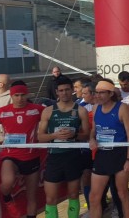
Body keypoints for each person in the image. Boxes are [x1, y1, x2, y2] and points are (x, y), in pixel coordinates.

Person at [0, 80, 44, 218]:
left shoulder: (37, 109)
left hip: (31, 157)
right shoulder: (2, 111)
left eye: (22, 95)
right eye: (16, 95)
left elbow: (53, 118)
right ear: (11, 96)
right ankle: (7, 198)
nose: (20, 98)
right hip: (10, 155)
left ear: (27, 94)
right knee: (7, 183)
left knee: (32, 197)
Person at [38, 75, 90, 218]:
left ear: (72, 90)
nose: (64, 93)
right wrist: (54, 136)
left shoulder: (80, 110)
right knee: (50, 198)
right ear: (57, 92)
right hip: (54, 157)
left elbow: (87, 135)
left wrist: (73, 135)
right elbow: (40, 137)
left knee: (73, 194)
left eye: (67, 90)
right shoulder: (48, 111)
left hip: (73, 156)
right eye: (61, 90)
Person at [88, 79, 129, 218]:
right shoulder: (96, 108)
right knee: (94, 197)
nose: (98, 96)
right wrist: (92, 139)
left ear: (110, 94)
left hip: (119, 155)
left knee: (122, 194)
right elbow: (93, 129)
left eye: (101, 93)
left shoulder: (121, 108)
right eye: (96, 93)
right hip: (102, 155)